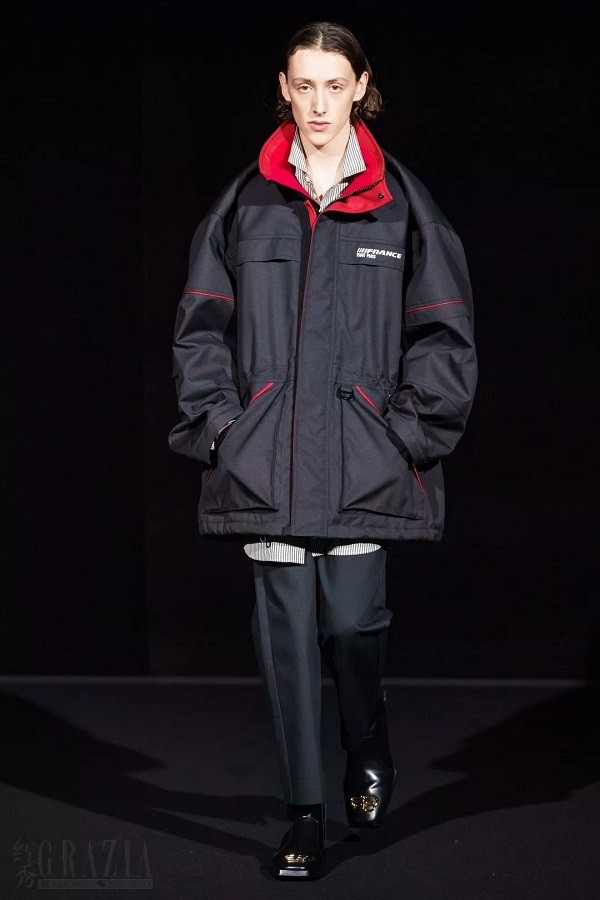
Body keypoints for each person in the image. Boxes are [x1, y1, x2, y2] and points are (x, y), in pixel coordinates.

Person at [168, 20, 478, 880]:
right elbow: (199, 328)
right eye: (303, 85)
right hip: (266, 463)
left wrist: (405, 434)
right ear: (283, 88)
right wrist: (223, 428)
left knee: (350, 624)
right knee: (287, 645)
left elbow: (446, 335)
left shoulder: (401, 203)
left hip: (362, 463)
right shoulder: (246, 203)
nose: (317, 103)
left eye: (333, 85)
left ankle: (365, 733)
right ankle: (304, 812)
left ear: (360, 88)